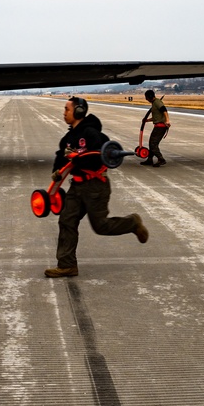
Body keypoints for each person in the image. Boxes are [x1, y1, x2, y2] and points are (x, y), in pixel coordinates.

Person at [45, 96, 149, 278]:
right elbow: (61, 157)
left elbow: (101, 154)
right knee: (66, 221)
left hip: (95, 186)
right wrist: (57, 171)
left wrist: (76, 156)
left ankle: (132, 222)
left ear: (78, 111)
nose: (64, 113)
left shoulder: (93, 134)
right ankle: (67, 265)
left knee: (100, 226)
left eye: (67, 109)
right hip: (76, 187)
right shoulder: (68, 139)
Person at [139, 89, 171, 167]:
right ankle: (150, 160)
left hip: (161, 127)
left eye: (146, 98)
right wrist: (147, 120)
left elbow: (164, 110)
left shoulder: (157, 102)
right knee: (151, 143)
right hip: (157, 126)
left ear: (149, 97)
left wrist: (167, 120)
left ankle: (161, 159)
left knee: (153, 144)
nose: (146, 99)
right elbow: (156, 117)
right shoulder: (154, 103)